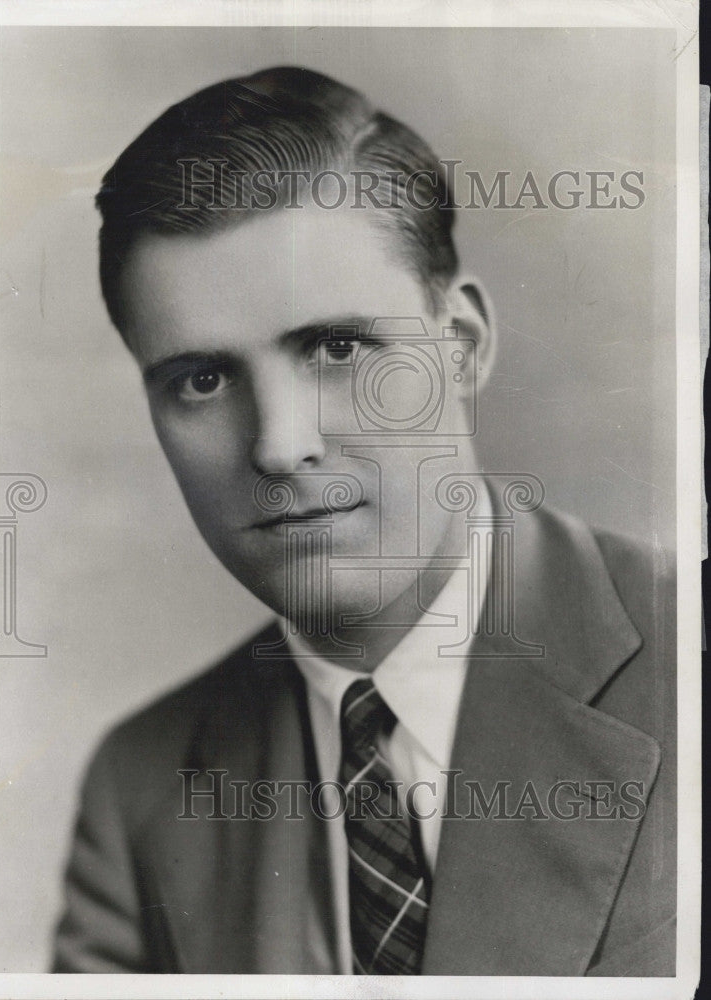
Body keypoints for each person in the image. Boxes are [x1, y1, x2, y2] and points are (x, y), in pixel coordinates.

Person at [52, 66, 676, 976]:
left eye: (339, 349)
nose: (277, 447)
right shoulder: (141, 786)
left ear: (459, 350)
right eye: (202, 380)